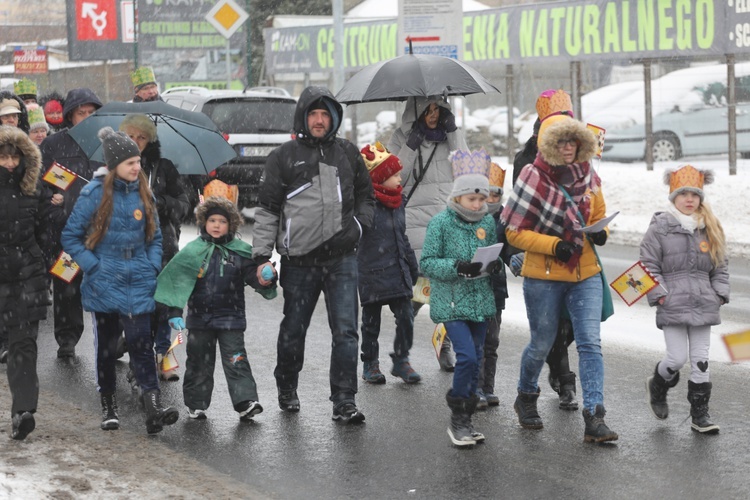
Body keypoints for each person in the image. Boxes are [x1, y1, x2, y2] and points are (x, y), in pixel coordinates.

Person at [252, 85, 374, 423]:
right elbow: (267, 210)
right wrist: (261, 256)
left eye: (325, 114)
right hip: (299, 262)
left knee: (347, 331)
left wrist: (359, 227)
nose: (319, 121)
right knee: (294, 328)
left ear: (334, 117)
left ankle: (344, 399)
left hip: (342, 259)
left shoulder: (348, 154)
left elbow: (366, 196)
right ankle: (287, 384)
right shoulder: (284, 157)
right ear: (303, 116)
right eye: (313, 114)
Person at [501, 113, 618, 443]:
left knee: (590, 344)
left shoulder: (588, 172)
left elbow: (598, 215)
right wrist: (555, 245)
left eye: (573, 141)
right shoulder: (532, 175)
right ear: (550, 144)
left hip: (586, 273)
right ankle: (525, 396)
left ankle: (595, 416)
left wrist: (601, 232)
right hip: (544, 274)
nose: (569, 148)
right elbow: (514, 233)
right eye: (562, 142)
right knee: (541, 343)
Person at [61, 127, 178, 434]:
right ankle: (109, 405)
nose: (137, 167)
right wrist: (93, 266)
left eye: (138, 161)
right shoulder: (93, 194)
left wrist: (151, 264)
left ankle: (153, 408)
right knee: (107, 349)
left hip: (139, 280)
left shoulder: (143, 191)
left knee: (142, 343)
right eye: (130, 163)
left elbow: (154, 235)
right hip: (104, 282)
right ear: (114, 166)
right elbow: (70, 237)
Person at [155, 195, 277, 421]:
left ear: (231, 225)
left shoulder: (239, 252)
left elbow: (254, 276)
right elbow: (177, 281)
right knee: (199, 362)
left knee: (236, 360)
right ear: (204, 223)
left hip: (231, 318)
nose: (217, 225)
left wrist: (266, 277)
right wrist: (173, 312)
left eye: (222, 221)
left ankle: (245, 402)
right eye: (212, 221)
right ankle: (196, 403)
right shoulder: (193, 252)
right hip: (200, 320)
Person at [420, 148, 500, 447]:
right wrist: (457, 267)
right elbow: (427, 262)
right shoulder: (441, 223)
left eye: (481, 199)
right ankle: (457, 419)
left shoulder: (487, 223)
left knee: (476, 358)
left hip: (480, 302)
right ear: (457, 198)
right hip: (452, 302)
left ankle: (466, 420)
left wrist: (494, 264)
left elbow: (493, 255)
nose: (478, 204)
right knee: (465, 356)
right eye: (472, 199)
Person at [640, 165, 728, 434]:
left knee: (701, 360)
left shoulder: (710, 228)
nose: (689, 199)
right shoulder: (659, 228)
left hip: (704, 304)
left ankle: (699, 415)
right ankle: (658, 385)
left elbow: (720, 265)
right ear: (673, 197)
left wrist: (718, 293)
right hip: (673, 302)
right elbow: (647, 265)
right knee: (677, 359)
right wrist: (661, 295)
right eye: (683, 194)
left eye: (694, 194)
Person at [388, 96, 468, 372]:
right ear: (416, 111)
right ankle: (401, 353)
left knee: (449, 296)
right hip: (416, 228)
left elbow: (467, 170)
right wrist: (412, 144)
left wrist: (454, 132)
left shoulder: (449, 137)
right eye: (427, 109)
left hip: (448, 226)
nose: (433, 115)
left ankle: (444, 345)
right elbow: (394, 175)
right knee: (415, 298)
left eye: (438, 109)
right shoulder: (400, 137)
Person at [511, 89, 579, 411]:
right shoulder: (526, 159)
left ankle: (559, 369)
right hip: (544, 251)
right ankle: (564, 380)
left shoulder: (581, 154)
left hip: (577, 251)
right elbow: (520, 212)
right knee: (550, 327)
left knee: (573, 325)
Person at [119, 113, 190, 381]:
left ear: (150, 140)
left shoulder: (164, 168)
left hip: (162, 244)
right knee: (136, 305)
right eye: (130, 136)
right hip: (128, 247)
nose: (136, 141)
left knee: (163, 303)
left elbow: (184, 203)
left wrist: (161, 202)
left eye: (142, 137)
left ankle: (163, 354)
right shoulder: (114, 169)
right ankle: (139, 359)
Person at [40, 88, 103, 361]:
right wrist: (54, 207)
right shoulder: (53, 145)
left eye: (91, 113)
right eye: (81, 113)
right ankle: (67, 338)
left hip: (102, 230)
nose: (87, 117)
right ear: (70, 115)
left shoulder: (106, 141)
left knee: (106, 285)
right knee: (66, 287)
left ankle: (113, 337)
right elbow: (39, 182)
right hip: (66, 231)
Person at [357, 143, 421, 385]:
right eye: (394, 175)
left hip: (397, 269)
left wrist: (412, 265)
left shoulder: (398, 202)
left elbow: (401, 236)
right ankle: (370, 362)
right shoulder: (366, 204)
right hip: (372, 271)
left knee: (406, 317)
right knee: (371, 323)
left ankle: (401, 359)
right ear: (380, 179)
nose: (399, 178)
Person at [0, 126, 47, 440]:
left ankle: (23, 412)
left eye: (14, 156)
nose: (9, 163)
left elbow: (46, 233)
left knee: (23, 347)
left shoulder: (35, 189)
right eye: (3, 157)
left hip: (27, 277)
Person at [476, 162, 509, 409]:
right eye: (488, 194)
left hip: (495, 287)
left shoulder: (505, 218)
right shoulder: (469, 215)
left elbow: (510, 247)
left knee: (492, 342)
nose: (491, 199)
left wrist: (516, 259)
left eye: (496, 194)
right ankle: (475, 388)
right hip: (473, 286)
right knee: (476, 339)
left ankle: (488, 387)